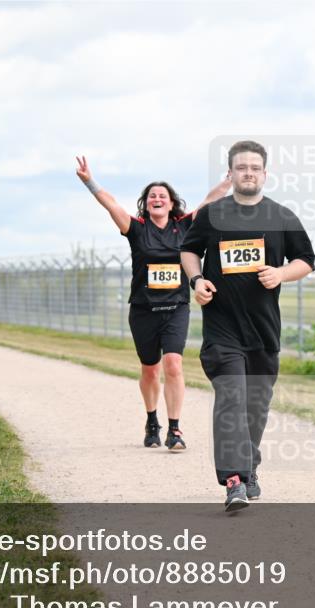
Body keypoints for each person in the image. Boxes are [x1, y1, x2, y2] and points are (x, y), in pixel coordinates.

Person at [180, 140, 315, 512]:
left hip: (264, 331)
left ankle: (249, 466)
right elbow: (189, 250)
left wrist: (282, 273)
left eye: (255, 168)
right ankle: (234, 480)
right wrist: (196, 282)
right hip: (222, 329)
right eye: (241, 168)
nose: (248, 173)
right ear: (230, 173)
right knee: (231, 399)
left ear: (265, 173)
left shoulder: (281, 216)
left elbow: (306, 259)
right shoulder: (211, 215)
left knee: (255, 405)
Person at [76, 156, 230, 450]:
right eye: (151, 196)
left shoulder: (185, 227)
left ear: (172, 203)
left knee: (173, 365)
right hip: (143, 310)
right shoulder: (136, 228)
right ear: (146, 204)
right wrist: (89, 181)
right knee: (150, 369)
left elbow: (210, 201)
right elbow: (110, 204)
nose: (157, 199)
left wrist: (229, 181)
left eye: (162, 196)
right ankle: (151, 420)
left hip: (176, 308)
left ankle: (175, 429)